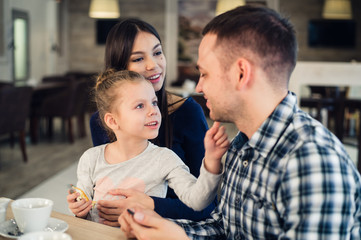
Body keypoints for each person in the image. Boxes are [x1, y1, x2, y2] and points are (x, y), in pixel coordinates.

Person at [119, 5, 361, 239]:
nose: (200, 87)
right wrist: (161, 229)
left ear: (241, 74)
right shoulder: (240, 144)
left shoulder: (313, 162)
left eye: (204, 74)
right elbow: (225, 228)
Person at [90, 19, 218, 225]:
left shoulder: (187, 112)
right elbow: (101, 190)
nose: (153, 65)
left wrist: (150, 204)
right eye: (139, 58)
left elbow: (207, 204)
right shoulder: (101, 122)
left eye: (157, 53)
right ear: (120, 69)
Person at [67, 69, 229, 223]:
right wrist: (78, 209)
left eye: (154, 102)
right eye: (140, 106)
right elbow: (84, 209)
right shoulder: (91, 159)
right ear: (113, 121)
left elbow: (198, 201)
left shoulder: (165, 159)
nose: (154, 111)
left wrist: (212, 162)